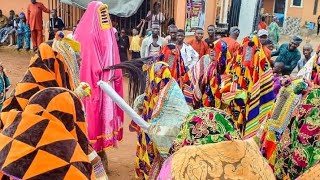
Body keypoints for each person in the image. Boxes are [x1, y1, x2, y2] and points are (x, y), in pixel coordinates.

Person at [74, 1, 124, 172]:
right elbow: (108, 56)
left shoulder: (84, 29)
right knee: (94, 121)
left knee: (89, 121)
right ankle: (94, 163)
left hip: (87, 84)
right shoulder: (98, 28)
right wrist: (110, 79)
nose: (106, 17)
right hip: (97, 84)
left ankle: (92, 160)